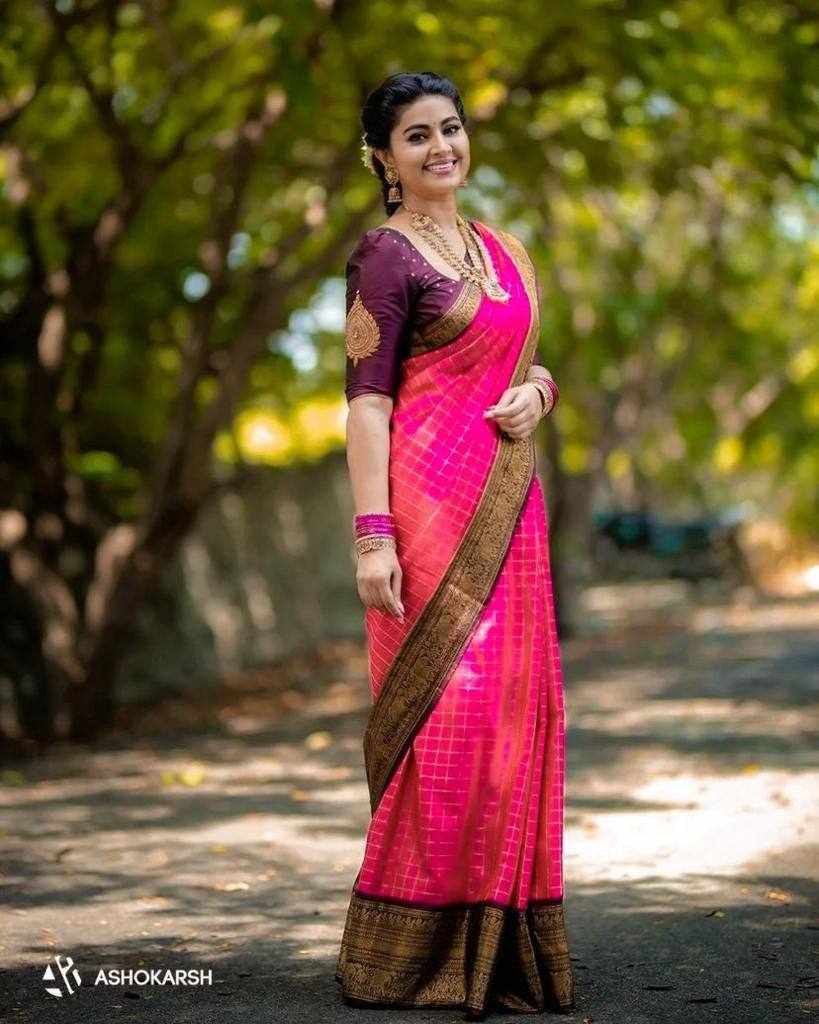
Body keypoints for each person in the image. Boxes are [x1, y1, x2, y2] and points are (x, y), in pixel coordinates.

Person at [334, 70, 577, 1021]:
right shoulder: (384, 256)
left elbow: (529, 365)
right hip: (427, 518)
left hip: (510, 512)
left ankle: (500, 945)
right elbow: (366, 405)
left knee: (515, 716)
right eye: (417, 136)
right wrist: (372, 538)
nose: (441, 148)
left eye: (451, 128)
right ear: (383, 158)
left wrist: (540, 393)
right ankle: (409, 954)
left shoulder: (503, 250)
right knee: (450, 717)